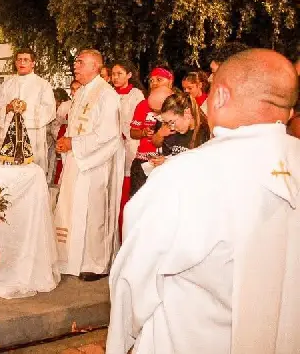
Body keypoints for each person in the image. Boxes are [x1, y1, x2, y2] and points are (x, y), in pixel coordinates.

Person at [107, 49, 300, 354]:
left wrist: (121, 341)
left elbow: (134, 275)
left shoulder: (186, 175)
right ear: (288, 111)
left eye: (209, 92)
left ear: (220, 97)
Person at [53, 49, 124, 281]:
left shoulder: (106, 95)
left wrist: (74, 143)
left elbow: (108, 134)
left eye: (80, 63)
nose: (76, 66)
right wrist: (67, 144)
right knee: (72, 210)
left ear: (95, 66)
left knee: (94, 213)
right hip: (76, 160)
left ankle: (96, 264)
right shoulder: (82, 92)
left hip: (94, 163)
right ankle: (72, 260)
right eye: (75, 62)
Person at [0, 48, 56, 172]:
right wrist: (8, 107)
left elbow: (50, 110)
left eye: (26, 60)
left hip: (32, 135)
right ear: (15, 63)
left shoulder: (42, 84)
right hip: (10, 135)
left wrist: (26, 109)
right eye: (19, 59)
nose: (22, 63)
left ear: (33, 63)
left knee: (32, 173)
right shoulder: (7, 84)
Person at [110, 61, 146, 241]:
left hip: (128, 146)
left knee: (125, 193)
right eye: (113, 74)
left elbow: (135, 122)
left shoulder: (135, 95)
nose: (115, 77)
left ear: (129, 75)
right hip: (109, 147)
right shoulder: (108, 93)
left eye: (119, 74)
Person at [128, 85, 173, 197]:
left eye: (157, 111)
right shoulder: (160, 116)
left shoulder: (185, 118)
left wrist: (168, 159)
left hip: (169, 168)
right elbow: (156, 142)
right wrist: (158, 134)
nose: (155, 114)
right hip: (147, 161)